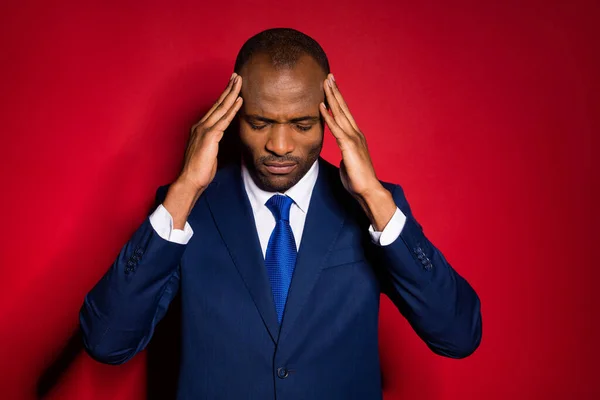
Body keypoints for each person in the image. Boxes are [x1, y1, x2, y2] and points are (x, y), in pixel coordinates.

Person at [80, 28, 482, 399]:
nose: (280, 144)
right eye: (260, 122)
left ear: (331, 118)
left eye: (302, 124)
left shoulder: (375, 208)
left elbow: (458, 335)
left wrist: (374, 197)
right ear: (232, 115)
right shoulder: (184, 210)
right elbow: (106, 341)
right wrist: (185, 190)